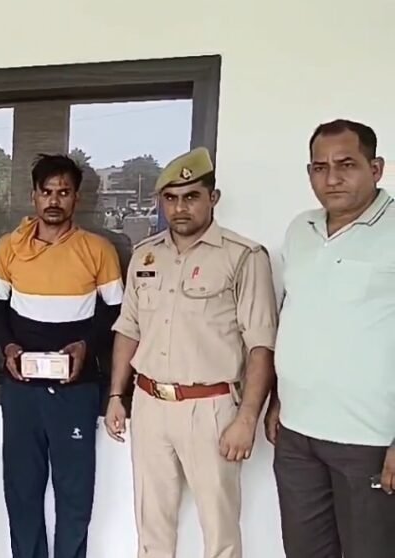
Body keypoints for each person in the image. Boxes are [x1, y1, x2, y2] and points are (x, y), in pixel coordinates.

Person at [104, 147, 278, 558]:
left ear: (212, 198)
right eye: (171, 198)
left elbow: (261, 344)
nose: (179, 208)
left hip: (211, 408)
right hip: (149, 403)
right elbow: (129, 329)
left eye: (191, 197)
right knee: (151, 525)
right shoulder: (145, 255)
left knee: (220, 528)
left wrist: (247, 418)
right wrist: (116, 394)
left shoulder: (243, 256)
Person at [267, 119, 395, 557]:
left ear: (375, 168)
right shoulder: (299, 229)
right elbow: (296, 315)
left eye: (346, 164)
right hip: (297, 435)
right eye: (320, 167)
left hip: (368, 440)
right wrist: (279, 399)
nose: (332, 178)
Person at [0, 154, 123, 558]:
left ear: (77, 198)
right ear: (33, 195)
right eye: (46, 192)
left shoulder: (97, 249)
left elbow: (116, 312)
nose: (54, 200)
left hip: (75, 389)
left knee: (75, 492)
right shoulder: (9, 248)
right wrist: (9, 347)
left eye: (63, 192)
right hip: (22, 388)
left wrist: (86, 346)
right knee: (22, 489)